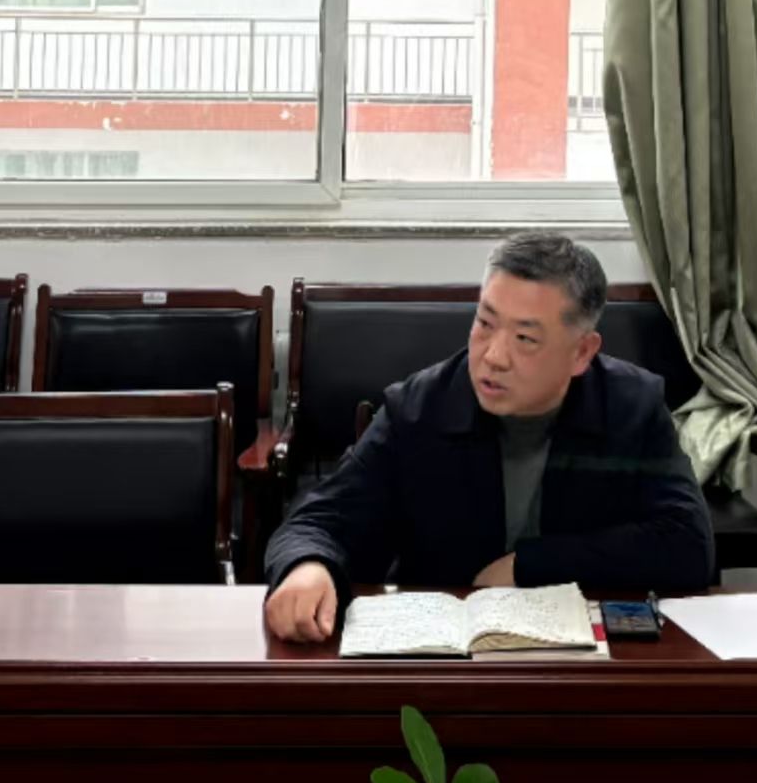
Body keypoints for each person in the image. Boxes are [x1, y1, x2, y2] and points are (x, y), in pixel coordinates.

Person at [264, 232, 714, 643]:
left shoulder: (631, 407)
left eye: (525, 338)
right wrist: (309, 566)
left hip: (583, 663)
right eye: (484, 323)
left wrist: (528, 565)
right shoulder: (419, 409)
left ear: (581, 353)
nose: (494, 357)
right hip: (445, 660)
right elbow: (320, 522)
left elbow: (689, 544)